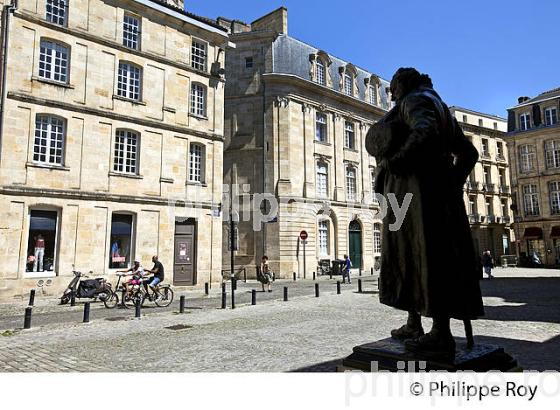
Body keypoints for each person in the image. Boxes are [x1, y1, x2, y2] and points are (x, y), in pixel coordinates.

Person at [365, 67, 484, 358]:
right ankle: (413, 322)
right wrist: (452, 184)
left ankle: (441, 334)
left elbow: (424, 131)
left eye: (392, 89)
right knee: (409, 255)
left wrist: (396, 161)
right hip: (427, 193)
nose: (391, 96)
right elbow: (469, 154)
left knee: (424, 256)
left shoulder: (415, 101)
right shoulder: (442, 107)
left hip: (415, 194)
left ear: (402, 85)